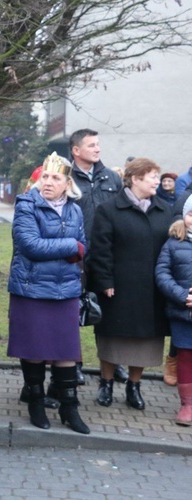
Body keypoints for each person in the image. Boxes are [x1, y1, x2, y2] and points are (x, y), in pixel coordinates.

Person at [8, 153, 89, 434]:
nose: (48, 182)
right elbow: (31, 245)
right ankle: (36, 402)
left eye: (55, 178)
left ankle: (69, 406)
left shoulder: (75, 210)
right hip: (31, 289)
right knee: (34, 349)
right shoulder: (26, 205)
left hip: (65, 290)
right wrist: (69, 247)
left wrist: (70, 248)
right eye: (45, 177)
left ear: (67, 183)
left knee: (66, 350)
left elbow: (84, 246)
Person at [88, 158, 173, 410]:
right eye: (152, 177)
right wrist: (104, 281)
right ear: (135, 179)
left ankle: (134, 386)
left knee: (145, 342)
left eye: (158, 176)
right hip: (118, 288)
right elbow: (100, 250)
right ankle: (106, 383)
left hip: (151, 290)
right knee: (112, 338)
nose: (157, 181)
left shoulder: (164, 211)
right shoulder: (109, 209)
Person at [69, 128, 127, 385]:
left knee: (110, 315)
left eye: (98, 144)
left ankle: (114, 364)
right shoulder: (65, 178)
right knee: (72, 313)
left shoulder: (112, 178)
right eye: (91, 145)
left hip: (106, 259)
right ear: (76, 150)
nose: (97, 149)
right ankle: (73, 364)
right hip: (75, 258)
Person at [155, 197, 192, 426]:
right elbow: (162, 273)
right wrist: (182, 296)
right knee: (186, 357)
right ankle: (187, 404)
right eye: (191, 214)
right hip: (183, 313)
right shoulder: (173, 242)